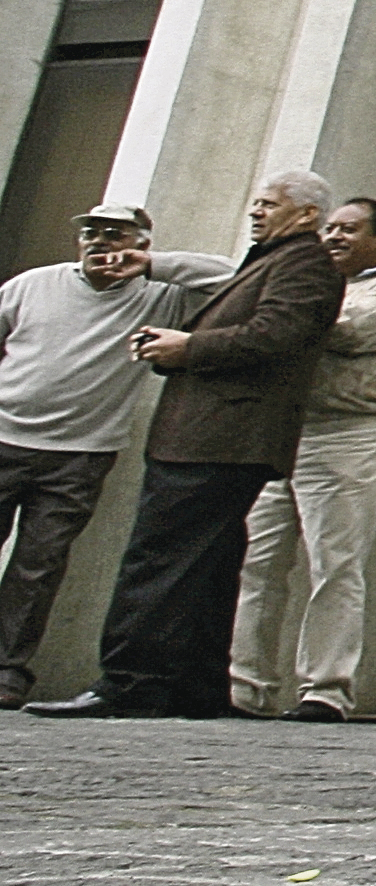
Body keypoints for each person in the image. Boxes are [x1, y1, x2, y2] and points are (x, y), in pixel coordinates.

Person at [28, 171, 344, 719]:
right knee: (211, 564)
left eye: (268, 204)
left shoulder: (304, 263)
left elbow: (278, 335)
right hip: (216, 436)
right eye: (256, 203)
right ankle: (197, 689)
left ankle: (128, 683)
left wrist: (188, 347)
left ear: (307, 214)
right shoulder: (278, 259)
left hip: (218, 437)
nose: (256, 212)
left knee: (158, 559)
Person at [0, 206, 234, 708]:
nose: (99, 243)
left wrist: (152, 265)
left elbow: (233, 277)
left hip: (81, 454)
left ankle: (7, 672)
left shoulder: (161, 296)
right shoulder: (31, 284)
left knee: (38, 566)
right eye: (91, 232)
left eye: (116, 235)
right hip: (3, 436)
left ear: (142, 244)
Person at [228, 198, 376, 722]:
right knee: (256, 564)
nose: (333, 237)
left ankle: (326, 690)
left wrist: (279, 311)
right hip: (285, 433)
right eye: (330, 228)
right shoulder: (312, 281)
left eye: (349, 229)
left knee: (335, 565)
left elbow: (343, 330)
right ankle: (244, 687)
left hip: (346, 434)